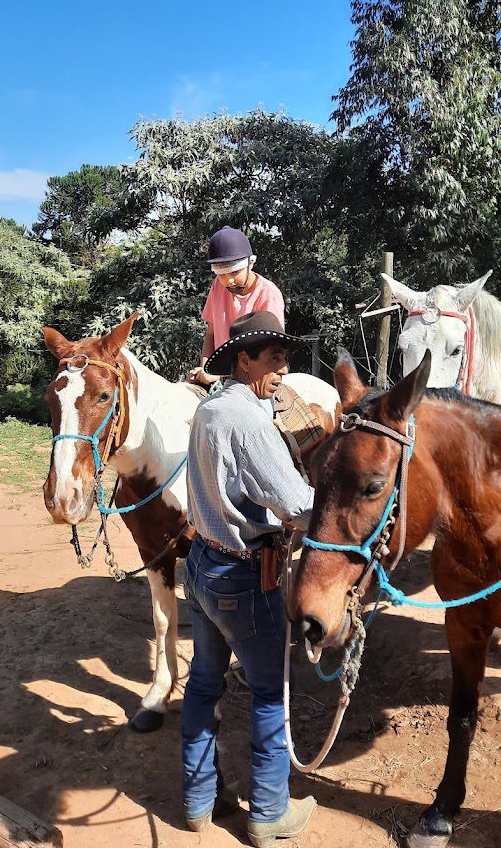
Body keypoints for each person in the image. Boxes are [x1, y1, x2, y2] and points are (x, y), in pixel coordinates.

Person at [182, 310, 317, 846]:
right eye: (274, 359)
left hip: (200, 568)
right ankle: (267, 814)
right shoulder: (252, 423)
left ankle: (198, 804)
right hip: (244, 576)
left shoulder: (210, 408)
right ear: (243, 360)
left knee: (202, 685)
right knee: (268, 693)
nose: (283, 371)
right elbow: (297, 506)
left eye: (286, 360)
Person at [187, 226, 285, 387]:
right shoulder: (217, 287)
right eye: (221, 275)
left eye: (234, 272)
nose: (228, 281)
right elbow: (210, 335)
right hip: (221, 376)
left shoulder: (268, 294)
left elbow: (270, 353)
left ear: (251, 263)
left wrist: (219, 375)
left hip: (257, 380)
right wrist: (205, 369)